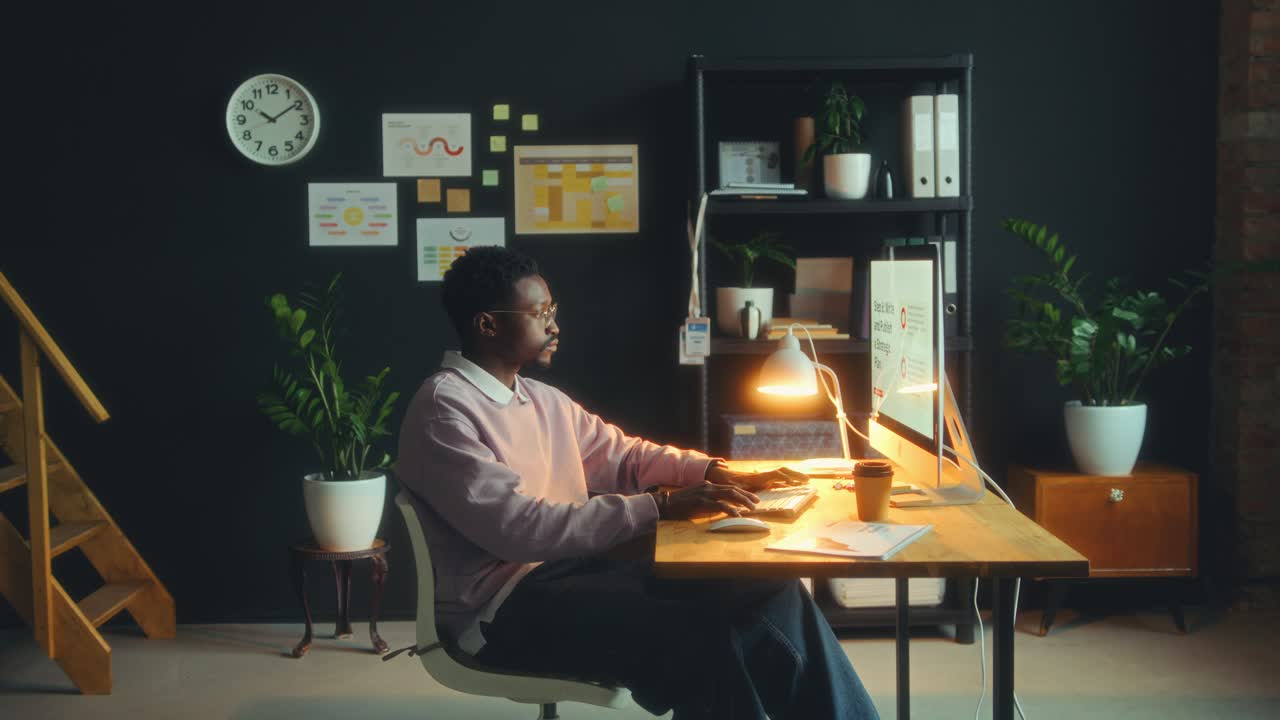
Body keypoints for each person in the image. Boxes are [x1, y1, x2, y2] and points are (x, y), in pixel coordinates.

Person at [397, 246, 879, 719]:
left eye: (553, 310)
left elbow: (625, 456)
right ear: (487, 325)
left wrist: (715, 471)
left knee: (772, 588)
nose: (554, 325)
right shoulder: (445, 410)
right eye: (540, 314)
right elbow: (518, 528)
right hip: (505, 611)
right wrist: (660, 507)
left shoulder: (539, 398)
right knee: (707, 639)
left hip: (574, 572)